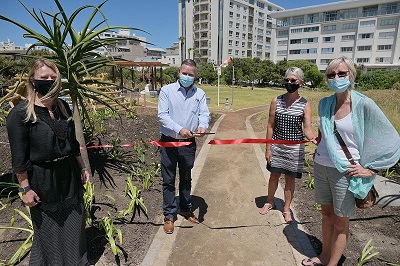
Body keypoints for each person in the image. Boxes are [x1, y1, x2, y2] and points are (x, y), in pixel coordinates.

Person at [302, 56, 400, 266]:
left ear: (351, 75)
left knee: (340, 221)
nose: (336, 78)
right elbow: (325, 133)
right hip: (321, 167)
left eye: (341, 73)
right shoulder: (325, 103)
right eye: (331, 74)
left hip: (346, 172)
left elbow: (389, 138)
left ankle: (332, 263)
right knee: (326, 215)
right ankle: (324, 255)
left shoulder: (364, 104)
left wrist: (370, 169)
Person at [6, 59, 90, 265]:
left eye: (53, 77)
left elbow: (72, 142)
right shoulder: (21, 114)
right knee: (49, 230)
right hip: (43, 178)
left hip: (68, 173)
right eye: (44, 78)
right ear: (32, 81)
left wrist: (82, 167)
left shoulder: (63, 107)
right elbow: (19, 157)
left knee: (73, 223)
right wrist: (25, 188)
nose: (50, 81)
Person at [158, 59, 210, 234]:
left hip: (188, 144)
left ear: (195, 76)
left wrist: (202, 126)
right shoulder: (166, 91)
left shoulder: (199, 94)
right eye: (184, 73)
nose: (187, 76)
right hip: (168, 142)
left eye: (191, 74)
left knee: (186, 178)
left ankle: (186, 208)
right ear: (178, 73)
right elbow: (162, 116)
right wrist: (179, 129)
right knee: (168, 180)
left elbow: (204, 114)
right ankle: (169, 215)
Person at [259, 67, 317, 223]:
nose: (289, 83)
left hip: (295, 149)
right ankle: (269, 201)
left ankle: (286, 209)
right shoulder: (276, 100)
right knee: (274, 176)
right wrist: (268, 148)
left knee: (290, 181)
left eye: (293, 80)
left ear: (301, 83)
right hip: (277, 146)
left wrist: (317, 141)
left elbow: (308, 129)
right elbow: (270, 125)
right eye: (287, 80)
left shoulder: (305, 104)